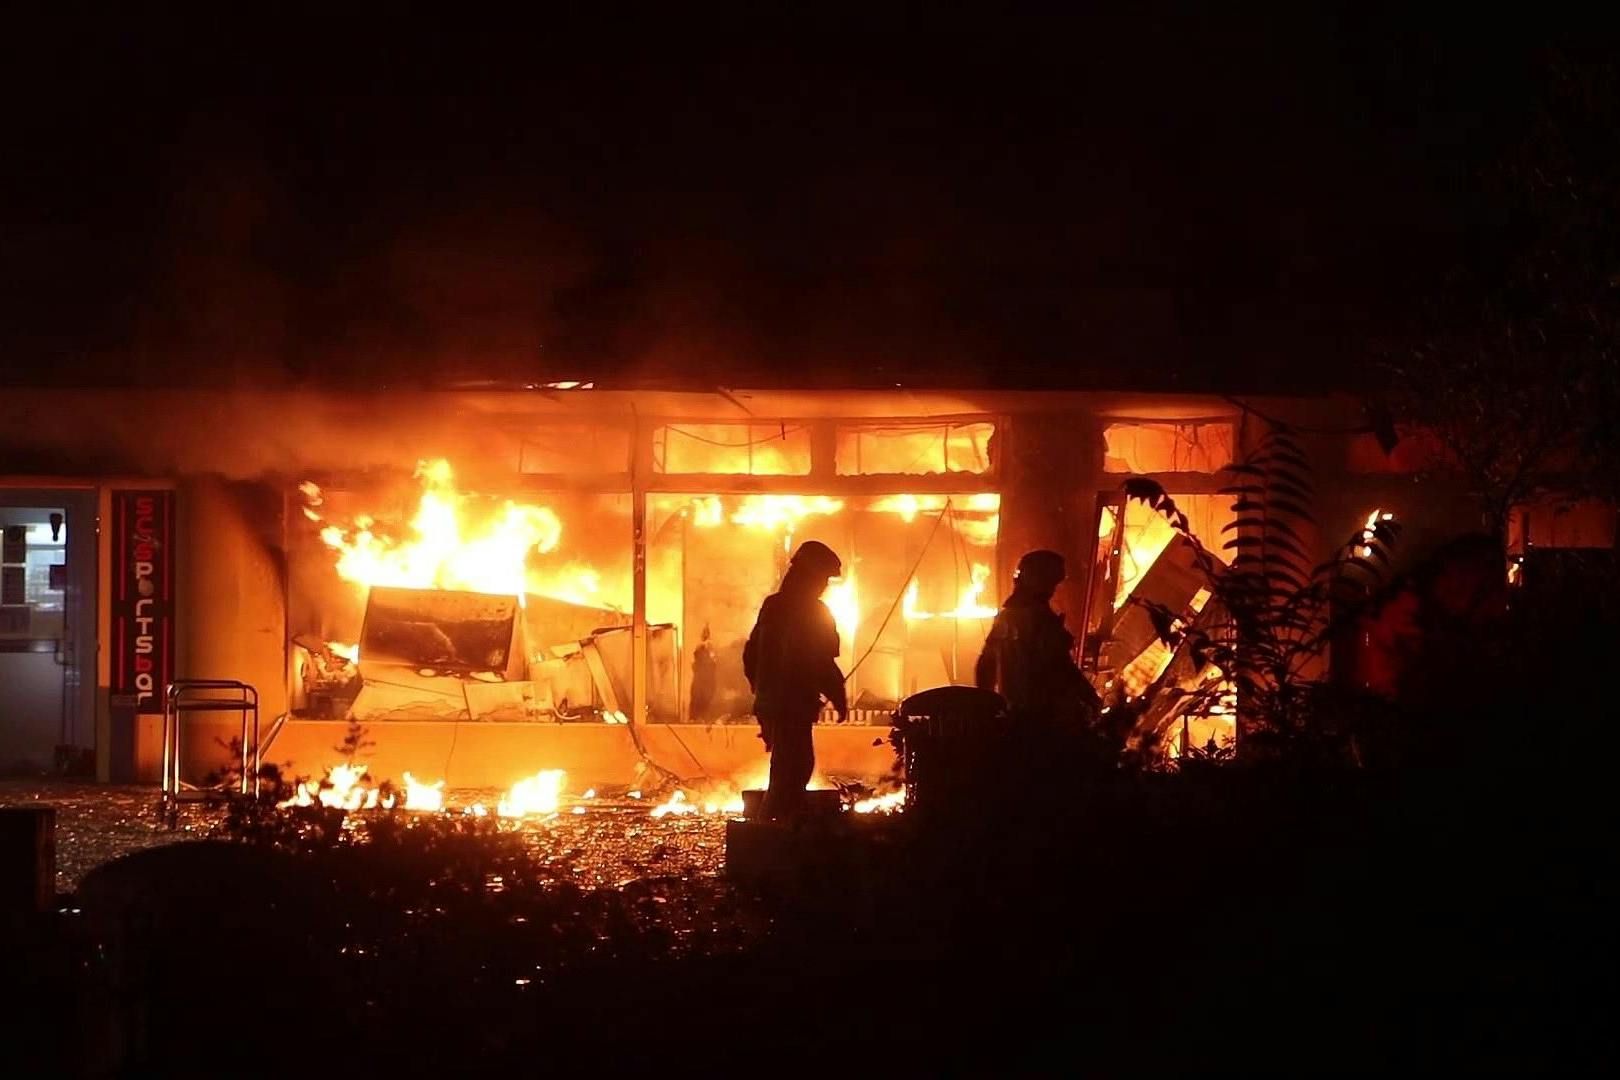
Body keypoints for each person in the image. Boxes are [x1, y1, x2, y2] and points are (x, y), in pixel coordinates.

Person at [743, 539, 848, 819]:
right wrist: (839, 697)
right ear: (810, 577)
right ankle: (769, 834)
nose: (825, 585)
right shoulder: (814, 612)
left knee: (787, 768)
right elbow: (822, 662)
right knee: (794, 769)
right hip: (792, 706)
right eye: (824, 578)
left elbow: (750, 654)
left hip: (772, 705)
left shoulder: (773, 606)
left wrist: (761, 695)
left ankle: (775, 828)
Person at [975, 549, 1101, 724]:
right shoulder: (1039, 619)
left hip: (1014, 716)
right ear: (1039, 580)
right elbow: (1060, 666)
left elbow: (984, 666)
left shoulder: (1007, 617)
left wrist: (985, 707)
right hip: (1044, 718)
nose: (1053, 589)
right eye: (1051, 582)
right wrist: (1090, 697)